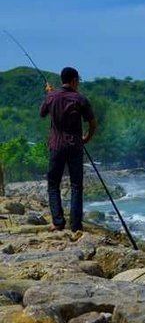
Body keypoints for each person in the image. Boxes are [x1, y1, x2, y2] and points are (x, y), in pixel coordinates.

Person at [40, 67, 97, 232]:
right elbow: (93, 124)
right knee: (76, 186)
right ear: (74, 81)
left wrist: (49, 94)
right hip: (75, 146)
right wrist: (86, 138)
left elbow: (42, 113)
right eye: (78, 80)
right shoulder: (80, 99)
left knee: (53, 185)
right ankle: (75, 225)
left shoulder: (52, 96)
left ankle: (58, 222)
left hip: (56, 146)